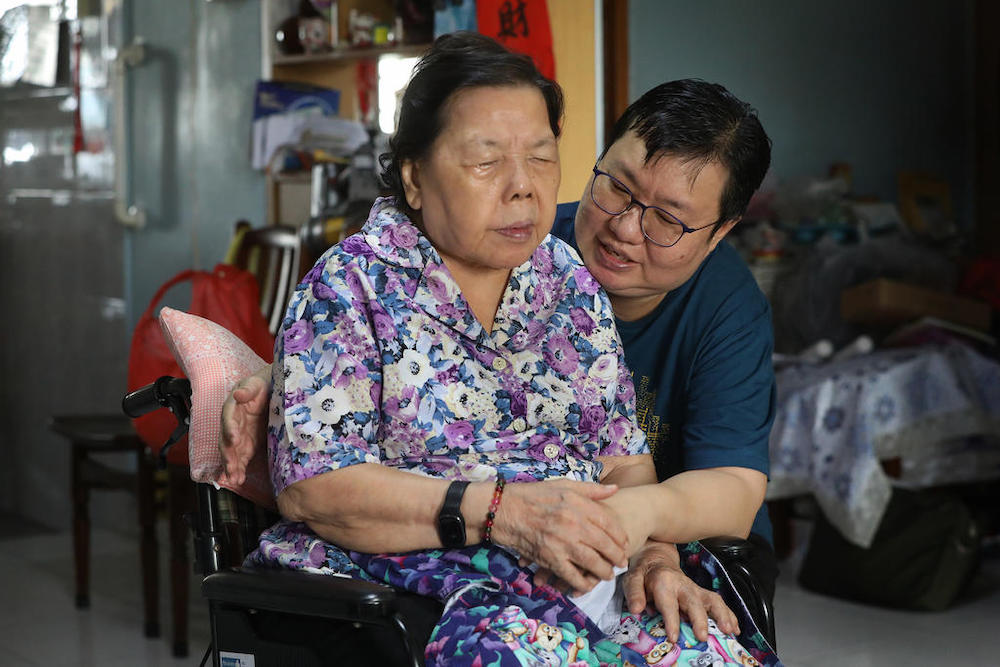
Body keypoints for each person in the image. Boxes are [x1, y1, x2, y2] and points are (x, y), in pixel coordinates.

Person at [232, 32, 781, 667]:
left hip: (583, 569)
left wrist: (655, 556)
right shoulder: (349, 285)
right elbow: (315, 487)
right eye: (487, 161)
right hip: (425, 585)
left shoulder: (570, 282)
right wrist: (504, 512)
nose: (522, 189)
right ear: (414, 176)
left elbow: (625, 464)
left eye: (542, 157)